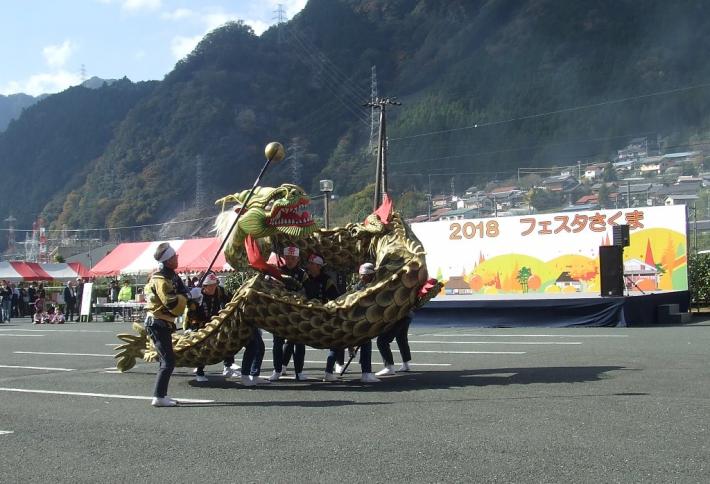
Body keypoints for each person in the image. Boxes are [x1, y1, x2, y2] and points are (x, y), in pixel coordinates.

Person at [144, 242, 189, 407]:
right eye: (175, 256)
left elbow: (183, 291)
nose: (177, 258)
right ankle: (158, 396)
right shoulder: (161, 279)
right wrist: (186, 298)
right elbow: (171, 303)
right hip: (157, 322)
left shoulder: (171, 276)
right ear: (168, 260)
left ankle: (161, 395)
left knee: (168, 360)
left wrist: (190, 294)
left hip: (163, 322)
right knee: (168, 361)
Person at [188, 272, 238, 382]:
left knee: (227, 339)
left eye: (215, 285)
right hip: (200, 324)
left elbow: (233, 299)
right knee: (202, 347)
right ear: (204, 287)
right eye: (210, 286)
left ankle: (228, 366)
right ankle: (199, 372)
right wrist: (194, 327)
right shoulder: (196, 295)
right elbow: (191, 315)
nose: (213, 288)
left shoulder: (219, 290)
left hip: (216, 322)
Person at [299, 254, 342, 382]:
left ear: (318, 266)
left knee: (336, 340)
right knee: (293, 340)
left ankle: (329, 371)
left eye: (312, 264)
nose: (309, 266)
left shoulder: (327, 280)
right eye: (309, 263)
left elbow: (336, 298)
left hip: (322, 315)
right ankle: (282, 368)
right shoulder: (304, 278)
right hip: (304, 314)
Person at [269, 245, 308, 382]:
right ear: (284, 258)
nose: (290, 260)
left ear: (298, 259)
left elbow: (307, 292)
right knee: (277, 342)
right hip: (279, 312)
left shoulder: (303, 274)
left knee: (299, 343)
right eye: (288, 258)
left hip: (297, 313)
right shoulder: (278, 272)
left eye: (293, 258)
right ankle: (277, 370)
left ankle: (299, 372)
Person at [345, 263, 380, 383]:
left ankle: (365, 370)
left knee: (365, 343)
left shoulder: (358, 286)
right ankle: (366, 372)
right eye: (370, 275)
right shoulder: (362, 288)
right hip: (361, 319)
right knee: (366, 343)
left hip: (361, 318)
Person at [376, 312, 414, 376]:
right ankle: (406, 364)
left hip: (396, 315)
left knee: (382, 341)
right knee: (401, 338)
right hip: (407, 313)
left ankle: (389, 367)